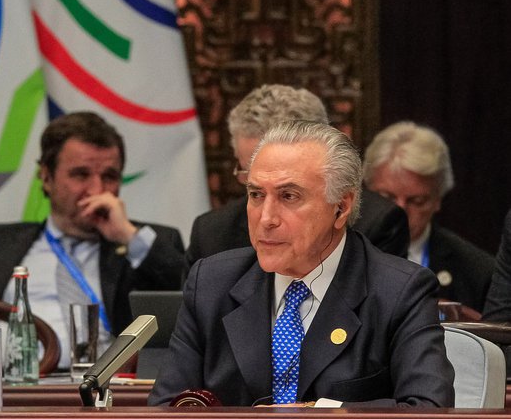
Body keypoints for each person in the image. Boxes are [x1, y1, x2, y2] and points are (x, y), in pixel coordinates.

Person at [149, 121, 453, 407]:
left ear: (341, 207)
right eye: (256, 195)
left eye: (289, 196)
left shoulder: (399, 292)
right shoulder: (211, 284)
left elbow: (426, 407)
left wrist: (313, 412)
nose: (266, 218)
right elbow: (167, 406)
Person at [0, 112, 185, 367]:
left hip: (112, 392)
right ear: (46, 177)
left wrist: (126, 235)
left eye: (109, 177)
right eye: (81, 175)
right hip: (15, 388)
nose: (97, 190)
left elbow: (190, 295)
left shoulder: (142, 244)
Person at [187, 84, 408, 265]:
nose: (266, 218)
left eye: (289, 194)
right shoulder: (211, 234)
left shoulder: (379, 223)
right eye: (249, 173)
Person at [364, 121, 494, 312]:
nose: (399, 212)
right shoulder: (339, 254)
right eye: (387, 198)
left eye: (416, 201)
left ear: (438, 199)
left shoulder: (476, 271)